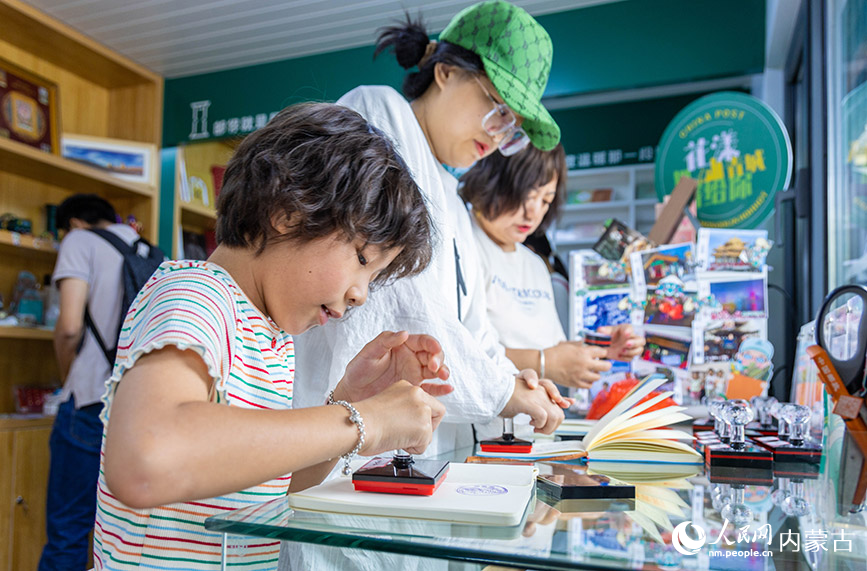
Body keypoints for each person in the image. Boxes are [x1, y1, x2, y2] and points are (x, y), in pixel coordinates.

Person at [93, 103, 453, 570]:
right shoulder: (195, 294)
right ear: (288, 211)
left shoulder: (272, 338)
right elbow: (145, 460)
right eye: (363, 259)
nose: (362, 294)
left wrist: (348, 398)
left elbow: (270, 486)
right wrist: (362, 419)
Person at [460, 144, 646, 390]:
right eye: (525, 196)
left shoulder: (535, 265)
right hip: (487, 423)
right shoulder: (462, 246)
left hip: (536, 421)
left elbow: (552, 348)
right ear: (489, 181)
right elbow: (462, 353)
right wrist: (545, 363)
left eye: (546, 200)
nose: (533, 213)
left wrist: (602, 349)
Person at [39, 194, 142, 571]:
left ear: (76, 223)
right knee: (118, 531)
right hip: (135, 409)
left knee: (68, 530)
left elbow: (68, 328)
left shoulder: (78, 241)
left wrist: (70, 380)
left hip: (88, 403)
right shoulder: (148, 248)